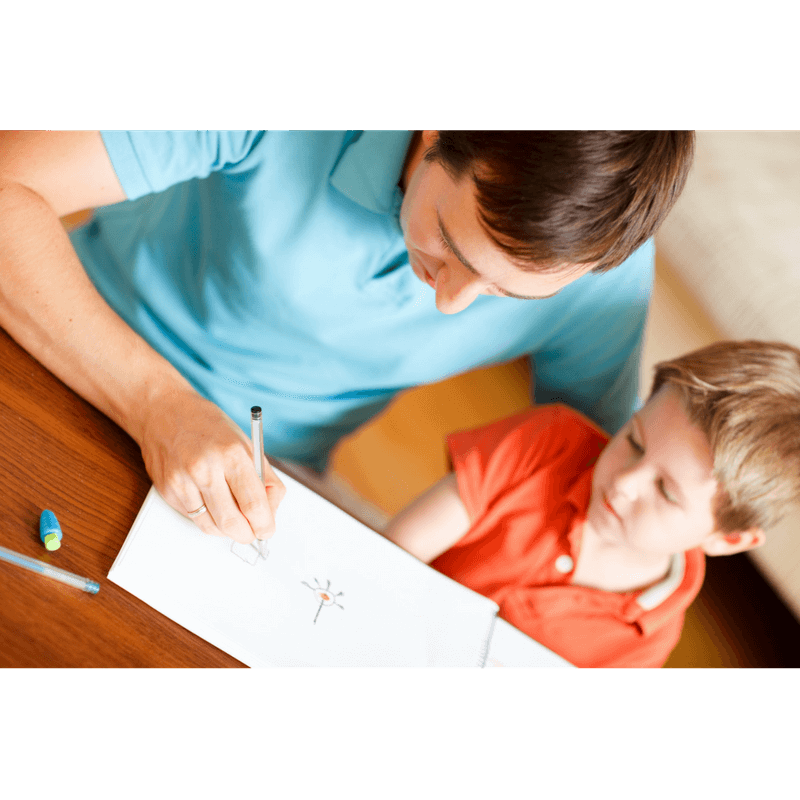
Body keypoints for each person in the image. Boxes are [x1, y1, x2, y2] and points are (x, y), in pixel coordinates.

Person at [0, 130, 694, 548]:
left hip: (265, 477)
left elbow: (579, 477)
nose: (451, 303)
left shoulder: (608, 270)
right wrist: (160, 406)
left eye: (507, 294)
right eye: (449, 242)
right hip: (64, 342)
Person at [382, 340, 800, 668]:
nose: (623, 484)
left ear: (728, 539)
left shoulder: (650, 634)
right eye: (634, 441)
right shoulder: (545, 442)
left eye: (666, 492)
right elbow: (394, 550)